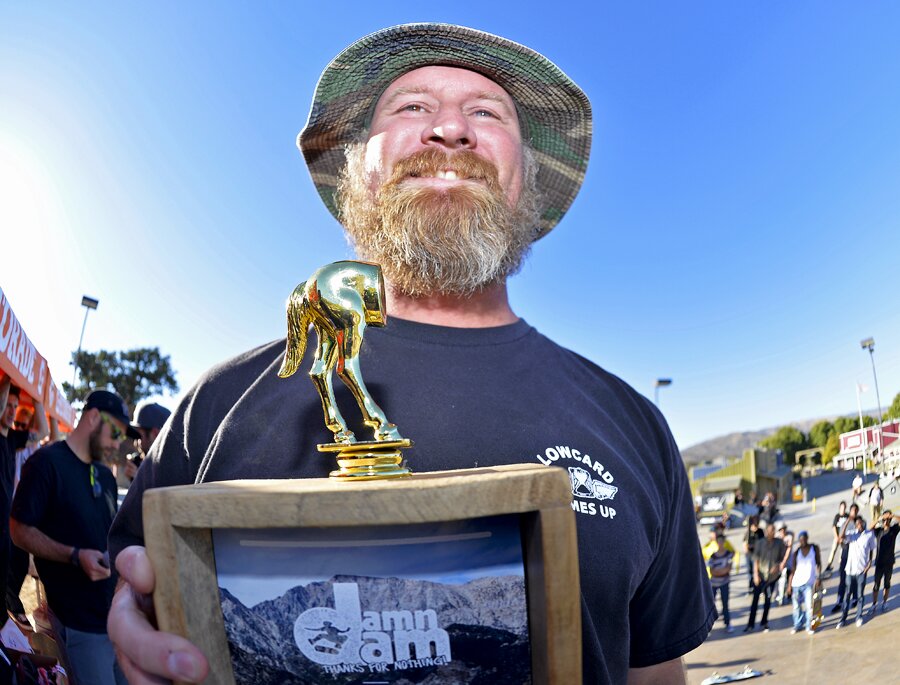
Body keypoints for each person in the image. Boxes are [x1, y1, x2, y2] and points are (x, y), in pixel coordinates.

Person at [106, 23, 715, 685]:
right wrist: (136, 632)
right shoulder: (215, 408)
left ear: (528, 177)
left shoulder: (633, 425)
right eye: (412, 106)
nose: (450, 129)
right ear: (357, 169)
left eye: (486, 112)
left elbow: (655, 672)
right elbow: (138, 598)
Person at [10, 390, 136, 684]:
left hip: (117, 615)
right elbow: (18, 530)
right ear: (92, 417)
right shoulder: (45, 464)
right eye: (115, 432)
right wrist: (75, 556)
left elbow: (107, 532)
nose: (118, 442)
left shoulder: (104, 475)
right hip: (80, 622)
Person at [0, 377, 49, 625]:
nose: (11, 411)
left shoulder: (13, 439)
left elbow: (44, 432)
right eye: (7, 405)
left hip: (6, 526)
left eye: (15, 406)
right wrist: (9, 377)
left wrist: (38, 395)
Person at [836, 514, 876, 628]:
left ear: (863, 523)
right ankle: (843, 619)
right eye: (857, 523)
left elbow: (872, 549)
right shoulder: (851, 534)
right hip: (850, 570)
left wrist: (869, 562)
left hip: (861, 570)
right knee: (847, 595)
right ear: (855, 525)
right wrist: (847, 521)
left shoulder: (869, 534)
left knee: (860, 595)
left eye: (861, 523)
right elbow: (841, 537)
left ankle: (859, 617)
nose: (859, 525)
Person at [744, 523, 784, 633]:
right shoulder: (760, 543)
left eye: (773, 531)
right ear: (766, 532)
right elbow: (755, 560)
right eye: (770, 531)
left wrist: (778, 566)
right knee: (755, 601)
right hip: (760, 576)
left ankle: (764, 622)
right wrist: (755, 575)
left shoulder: (779, 543)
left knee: (768, 600)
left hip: (772, 577)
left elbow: (782, 558)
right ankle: (750, 624)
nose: (772, 533)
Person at [123, 402, 171, 481]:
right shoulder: (141, 464)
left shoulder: (176, 470)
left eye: (138, 436)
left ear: (155, 433)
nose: (136, 443)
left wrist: (140, 481)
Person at [786, 531, 821, 634]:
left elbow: (818, 564)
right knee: (796, 607)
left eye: (804, 538)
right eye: (801, 539)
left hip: (809, 583)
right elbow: (793, 571)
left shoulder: (814, 548)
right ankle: (797, 625)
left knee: (809, 606)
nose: (803, 541)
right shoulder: (796, 552)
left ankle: (809, 626)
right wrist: (789, 585)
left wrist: (818, 577)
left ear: (807, 538)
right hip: (796, 583)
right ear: (799, 540)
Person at [831, 502, 860, 613]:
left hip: (855, 552)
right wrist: (848, 521)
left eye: (856, 511)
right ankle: (839, 601)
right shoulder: (845, 522)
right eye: (852, 510)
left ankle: (855, 598)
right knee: (843, 578)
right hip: (845, 551)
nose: (854, 513)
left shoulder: (860, 522)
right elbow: (840, 538)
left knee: (854, 577)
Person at [871, 510, 900, 613]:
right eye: (884, 520)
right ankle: (874, 604)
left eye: (887, 520)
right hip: (879, 562)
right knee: (876, 585)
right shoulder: (878, 531)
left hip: (889, 562)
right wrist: (879, 518)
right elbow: (870, 527)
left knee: (887, 584)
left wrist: (892, 515)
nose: (885, 521)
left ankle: (884, 602)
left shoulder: (894, 530)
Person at [707, 534, 735, 633]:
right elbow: (712, 571)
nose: (720, 543)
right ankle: (708, 626)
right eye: (718, 541)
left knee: (725, 604)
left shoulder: (728, 554)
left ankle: (727, 623)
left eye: (721, 541)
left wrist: (719, 571)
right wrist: (722, 571)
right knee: (710, 604)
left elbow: (729, 568)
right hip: (714, 584)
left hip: (724, 583)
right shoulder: (713, 556)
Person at [824, 500, 848, 574]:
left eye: (844, 508)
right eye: (842, 508)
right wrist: (836, 537)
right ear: (839, 508)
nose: (843, 509)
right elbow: (834, 527)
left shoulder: (847, 516)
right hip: (837, 537)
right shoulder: (837, 516)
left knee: (842, 552)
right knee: (833, 550)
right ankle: (829, 565)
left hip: (844, 538)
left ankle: (841, 566)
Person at [744, 515, 764, 592]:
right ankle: (751, 586)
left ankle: (758, 587)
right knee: (750, 572)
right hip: (750, 555)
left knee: (758, 571)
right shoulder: (748, 532)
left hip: (758, 555)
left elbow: (763, 542)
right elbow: (745, 544)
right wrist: (748, 549)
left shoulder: (760, 531)